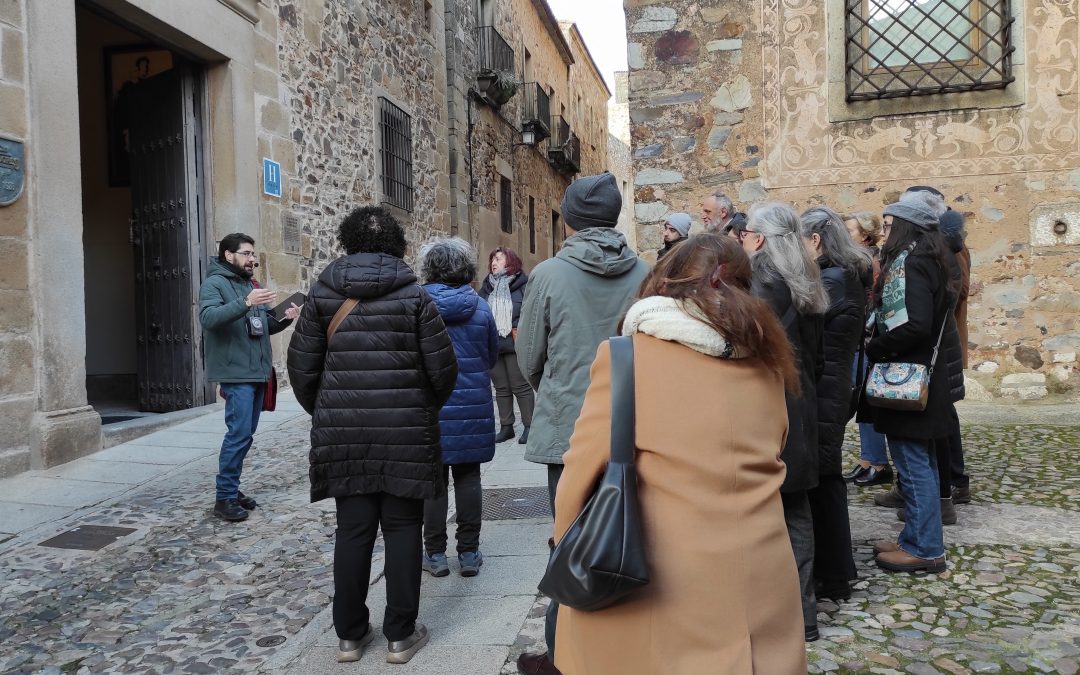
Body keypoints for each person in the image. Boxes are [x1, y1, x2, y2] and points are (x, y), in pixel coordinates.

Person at [552, 234, 807, 675]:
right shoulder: (768, 363)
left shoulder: (627, 357)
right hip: (760, 572)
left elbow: (579, 474)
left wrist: (565, 542)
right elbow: (778, 446)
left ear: (663, 282)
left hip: (660, 572)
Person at [286, 206, 458, 665]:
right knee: (403, 529)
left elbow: (301, 371)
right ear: (396, 244)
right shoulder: (416, 298)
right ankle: (400, 636)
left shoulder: (322, 295)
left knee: (353, 531)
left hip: (345, 433)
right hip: (404, 429)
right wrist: (418, 410)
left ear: (348, 241)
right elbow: (442, 371)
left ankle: (350, 636)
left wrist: (331, 411)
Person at [515, 172, 649, 675]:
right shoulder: (646, 271)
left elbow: (529, 356)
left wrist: (555, 390)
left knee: (567, 543)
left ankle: (564, 654)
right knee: (631, 538)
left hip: (569, 427)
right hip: (632, 424)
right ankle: (624, 651)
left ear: (568, 220)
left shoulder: (548, 274)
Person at [739, 201, 827, 642]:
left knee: (766, 510)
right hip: (801, 402)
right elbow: (820, 358)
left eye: (746, 232)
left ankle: (770, 613)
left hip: (769, 406)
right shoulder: (807, 278)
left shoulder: (761, 280)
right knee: (796, 510)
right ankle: (803, 612)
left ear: (758, 237)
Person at [858, 193, 957, 573]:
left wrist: (876, 345)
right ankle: (914, 537)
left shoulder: (913, 263)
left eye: (888, 225)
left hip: (907, 376)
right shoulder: (926, 259)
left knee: (913, 465)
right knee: (919, 463)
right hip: (916, 376)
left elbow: (915, 324)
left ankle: (925, 548)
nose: (884, 233)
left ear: (905, 226)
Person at [199, 233, 300, 522]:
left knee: (245, 436)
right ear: (228, 255)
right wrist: (245, 302)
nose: (252, 259)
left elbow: (262, 326)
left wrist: (285, 316)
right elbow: (208, 319)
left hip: (256, 371)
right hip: (236, 372)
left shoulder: (250, 285)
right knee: (238, 434)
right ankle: (224, 498)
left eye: (253, 254)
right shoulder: (214, 284)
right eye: (246, 253)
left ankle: (232, 489)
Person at [799, 207, 872, 603]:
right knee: (827, 477)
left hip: (826, 388)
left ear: (815, 242)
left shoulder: (833, 281)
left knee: (825, 478)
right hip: (835, 385)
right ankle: (835, 570)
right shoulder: (845, 275)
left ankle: (834, 572)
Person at [418, 237, 499, 579]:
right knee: (469, 479)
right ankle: (468, 551)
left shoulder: (417, 305)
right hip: (471, 402)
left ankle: (435, 553)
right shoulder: (479, 307)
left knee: (434, 483)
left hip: (430, 406)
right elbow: (491, 354)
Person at [842, 212, 894, 487]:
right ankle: (868, 458)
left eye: (850, 230)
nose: (845, 235)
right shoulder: (861, 259)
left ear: (864, 235)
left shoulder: (868, 261)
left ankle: (877, 461)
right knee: (862, 403)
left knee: (866, 400)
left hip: (865, 340)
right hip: (861, 339)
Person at [479, 247, 535, 445]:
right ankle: (506, 427)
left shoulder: (523, 285)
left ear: (510, 262)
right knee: (501, 388)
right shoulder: (486, 287)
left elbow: (530, 312)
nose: (494, 262)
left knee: (520, 385)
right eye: (492, 259)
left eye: (499, 259)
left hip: (514, 342)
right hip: (493, 343)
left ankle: (529, 426)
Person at [940, 208, 972, 505]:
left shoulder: (951, 247)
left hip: (943, 343)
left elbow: (959, 290)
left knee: (945, 415)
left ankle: (956, 481)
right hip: (942, 342)